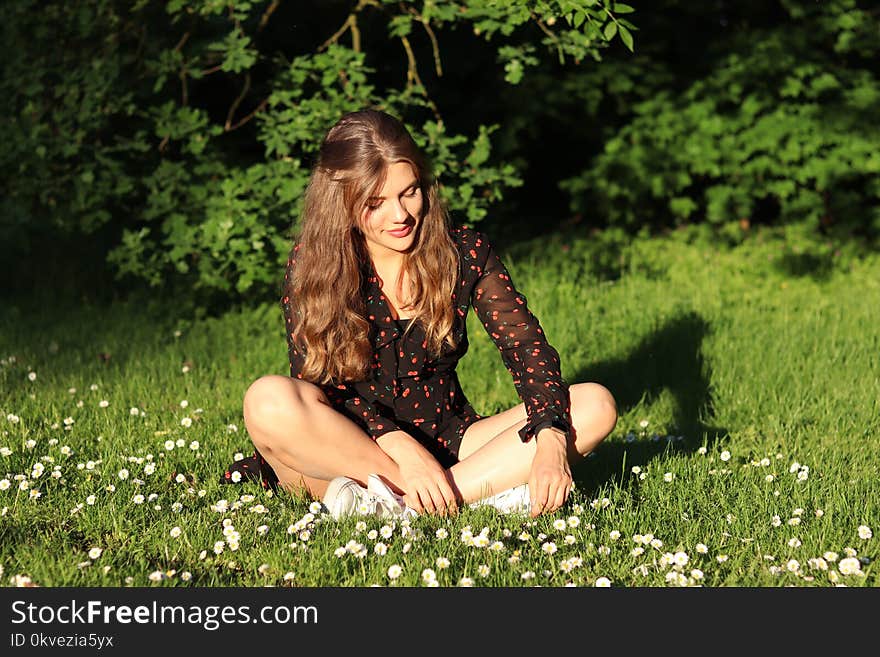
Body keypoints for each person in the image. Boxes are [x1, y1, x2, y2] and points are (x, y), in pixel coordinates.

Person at [221, 109, 617, 519]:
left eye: (409, 192)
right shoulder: (313, 264)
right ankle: (467, 493)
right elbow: (318, 381)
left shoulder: (464, 253)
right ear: (342, 204)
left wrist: (550, 439)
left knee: (593, 404)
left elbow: (526, 350)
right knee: (268, 400)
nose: (401, 215)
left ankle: (406, 506)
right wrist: (397, 446)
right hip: (349, 448)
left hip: (451, 441)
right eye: (375, 203)